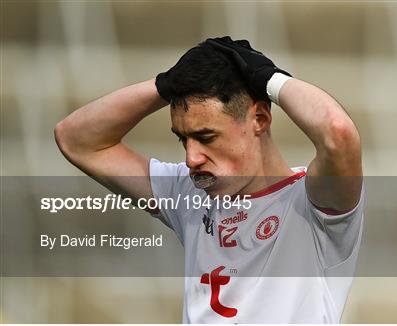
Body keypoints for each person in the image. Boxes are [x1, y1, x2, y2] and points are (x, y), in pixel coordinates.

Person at [55, 36, 365, 323]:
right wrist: (167, 85)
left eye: (206, 137)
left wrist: (269, 79)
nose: (191, 158)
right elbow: (76, 139)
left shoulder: (314, 206)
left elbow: (337, 133)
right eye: (183, 139)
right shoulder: (188, 193)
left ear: (259, 119)